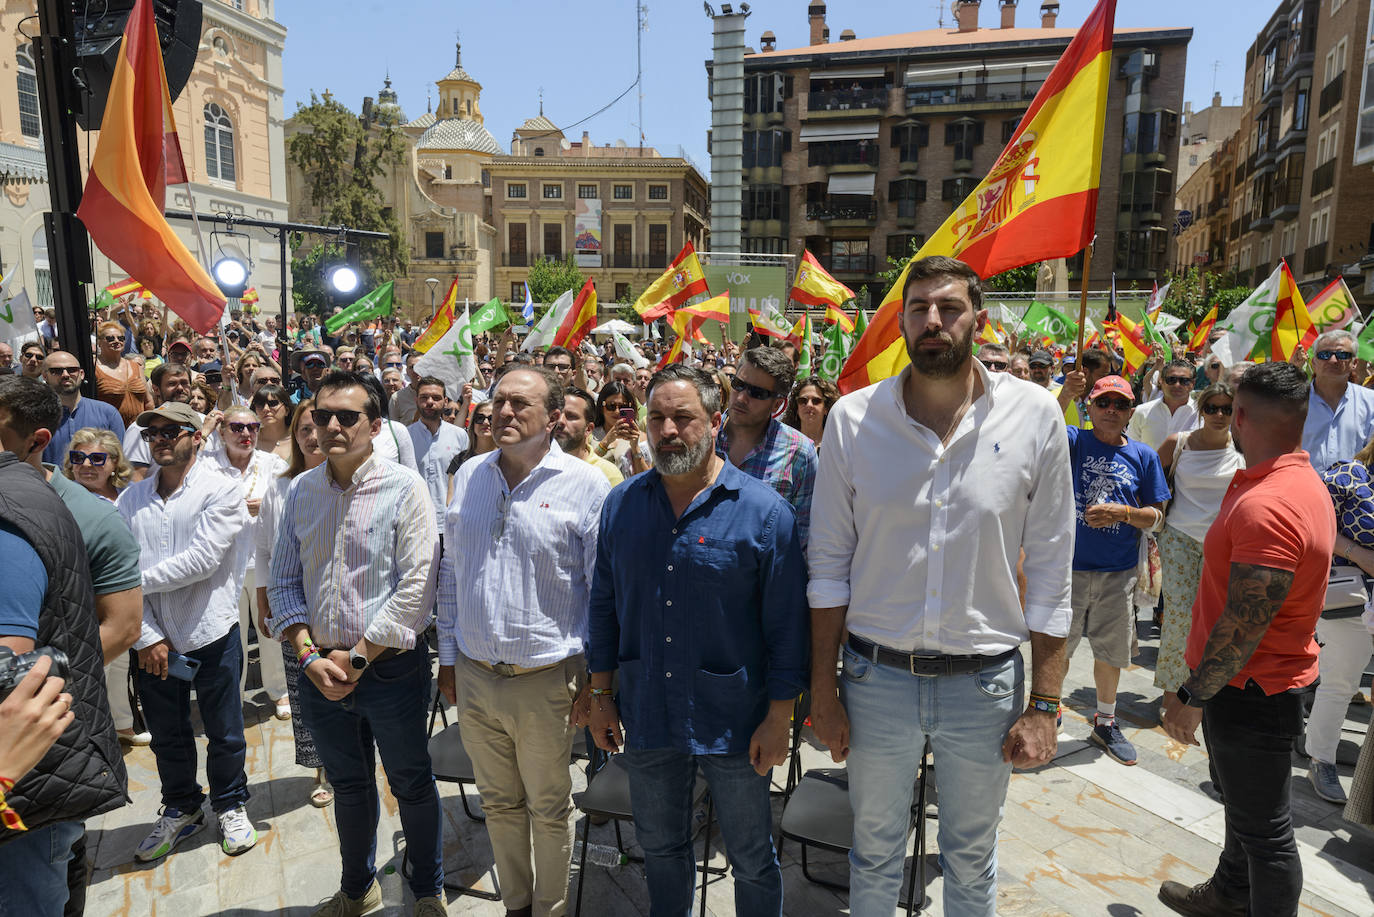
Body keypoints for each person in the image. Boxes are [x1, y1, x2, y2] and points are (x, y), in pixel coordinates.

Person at [807, 256, 1073, 916]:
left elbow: (1051, 569)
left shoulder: (1035, 415)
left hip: (984, 686)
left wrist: (1045, 704)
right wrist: (824, 690)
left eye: (949, 307)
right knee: (873, 851)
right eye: (919, 307)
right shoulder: (852, 419)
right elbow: (828, 567)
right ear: (899, 323)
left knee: (972, 858)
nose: (934, 320)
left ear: (977, 319)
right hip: (876, 681)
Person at [587, 364, 807, 916]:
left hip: (735, 721)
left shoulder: (764, 512)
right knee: (661, 849)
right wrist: (601, 693)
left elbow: (786, 629)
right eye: (656, 418)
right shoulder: (622, 505)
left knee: (752, 858)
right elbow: (604, 606)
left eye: (682, 418)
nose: (667, 431)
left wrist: (779, 717)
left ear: (714, 422)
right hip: (648, 712)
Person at [1159, 363, 1336, 917]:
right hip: (1254, 685)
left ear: (1238, 416)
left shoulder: (1270, 503)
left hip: (1251, 689)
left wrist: (1192, 696)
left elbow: (1244, 623)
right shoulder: (1292, 481)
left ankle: (1241, 897)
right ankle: (1231, 894)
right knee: (1243, 809)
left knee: (1267, 834)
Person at [267, 371, 444, 917]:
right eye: (323, 416)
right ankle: (357, 888)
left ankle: (427, 890)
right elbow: (284, 581)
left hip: (390, 670)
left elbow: (418, 586)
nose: (332, 427)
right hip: (320, 671)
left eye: (347, 416)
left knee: (411, 783)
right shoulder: (302, 490)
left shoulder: (405, 487)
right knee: (348, 786)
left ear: (375, 424)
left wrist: (360, 655)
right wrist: (308, 657)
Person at [437, 366, 610, 917]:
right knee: (498, 803)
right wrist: (448, 660)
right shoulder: (470, 474)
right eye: (498, 401)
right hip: (476, 675)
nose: (504, 412)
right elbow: (450, 574)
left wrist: (597, 683)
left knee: (548, 807)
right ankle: (516, 905)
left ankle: (549, 908)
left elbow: (603, 593)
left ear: (555, 418)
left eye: (520, 403)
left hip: (547, 681)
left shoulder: (586, 485)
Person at [0, 376, 130, 914]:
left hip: (27, 783)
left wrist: (66, 688)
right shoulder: (31, 498)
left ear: (34, 439)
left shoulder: (17, 514)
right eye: (79, 457)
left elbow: (121, 625)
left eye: (98, 458)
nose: (87, 464)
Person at [118, 402, 256, 860]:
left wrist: (134, 582)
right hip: (152, 639)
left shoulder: (222, 488)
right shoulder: (130, 499)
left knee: (225, 731)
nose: (159, 439)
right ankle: (182, 807)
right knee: (167, 734)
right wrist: (147, 636)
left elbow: (202, 561)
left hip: (211, 630)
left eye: (169, 431)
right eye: (151, 433)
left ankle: (230, 803)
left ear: (196, 436)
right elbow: (115, 565)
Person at [1064, 375, 1169, 766]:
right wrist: (1065, 392)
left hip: (1118, 573)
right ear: (1089, 407)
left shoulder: (1144, 456)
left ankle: (1106, 722)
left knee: (1111, 653)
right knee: (1058, 648)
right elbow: (1041, 428)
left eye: (1120, 404)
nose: (1111, 410)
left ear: (1130, 412)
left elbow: (1158, 517)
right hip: (1068, 570)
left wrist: (1122, 513)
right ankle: (1047, 709)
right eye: (1103, 402)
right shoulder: (1074, 441)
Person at [255, 400, 333, 808]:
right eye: (304, 429)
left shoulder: (348, 482)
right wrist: (264, 599)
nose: (313, 436)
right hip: (293, 607)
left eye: (318, 426)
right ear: (295, 437)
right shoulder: (280, 487)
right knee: (306, 693)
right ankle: (323, 769)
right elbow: (264, 550)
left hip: (338, 606)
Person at [1153, 384, 1244, 704]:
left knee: (1217, 618)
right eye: (1211, 408)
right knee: (1179, 617)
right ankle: (1172, 694)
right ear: (1200, 410)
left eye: (1226, 409)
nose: (1219, 415)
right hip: (1178, 537)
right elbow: (1150, 480)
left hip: (1224, 544)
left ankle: (1204, 691)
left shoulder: (1244, 448)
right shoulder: (1178, 443)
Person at [211, 408, 290, 719]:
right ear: (222, 432)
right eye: (237, 427)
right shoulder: (207, 466)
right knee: (231, 636)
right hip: (223, 566)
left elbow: (289, 504)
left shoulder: (273, 464)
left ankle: (279, 691)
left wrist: (267, 506)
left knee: (269, 630)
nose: (246, 434)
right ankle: (232, 695)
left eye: (252, 427)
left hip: (263, 563)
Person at [1309, 431, 1374, 804]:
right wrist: (1359, 554)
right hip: (1350, 595)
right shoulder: (1349, 474)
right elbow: (1314, 524)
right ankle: (1321, 760)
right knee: (1341, 682)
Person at [718, 347, 818, 546]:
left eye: (757, 393)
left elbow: (802, 537)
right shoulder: (701, 436)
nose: (741, 398)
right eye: (738, 384)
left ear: (777, 405)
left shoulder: (800, 453)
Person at [1303, 329, 1374, 473]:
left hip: (1357, 486)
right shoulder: (1293, 401)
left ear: (1354, 363)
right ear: (1314, 362)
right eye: (1324, 355)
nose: (1333, 360)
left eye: (1342, 355)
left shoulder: (1371, 401)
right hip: (1303, 486)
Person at [40, 351, 126, 465]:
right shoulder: (37, 417)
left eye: (72, 370)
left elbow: (119, 460)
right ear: (45, 376)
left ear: (81, 374)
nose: (65, 375)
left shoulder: (108, 413)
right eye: (56, 371)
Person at [407, 376, 469, 528]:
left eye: (436, 398)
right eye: (424, 397)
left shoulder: (459, 436)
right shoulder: (405, 436)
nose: (429, 402)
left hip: (451, 521)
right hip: (415, 521)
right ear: (416, 400)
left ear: (445, 401)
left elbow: (467, 478)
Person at [555, 385, 624, 486]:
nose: (560, 421)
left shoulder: (608, 475)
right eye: (556, 415)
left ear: (588, 429)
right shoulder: (535, 465)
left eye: (571, 416)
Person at [1128, 359, 1200, 451]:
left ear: (1193, 383)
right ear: (1161, 381)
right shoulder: (1142, 411)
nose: (1177, 385)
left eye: (1184, 381)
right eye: (1171, 380)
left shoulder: (1202, 414)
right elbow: (1131, 448)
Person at [92, 320, 152, 426]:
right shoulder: (94, 368)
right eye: (110, 338)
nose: (117, 341)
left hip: (138, 430)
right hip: (108, 431)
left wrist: (148, 427)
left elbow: (148, 402)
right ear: (99, 342)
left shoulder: (135, 367)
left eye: (121, 338)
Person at [63, 427, 134, 504]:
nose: (85, 464)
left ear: (115, 462)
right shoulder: (65, 499)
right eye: (78, 457)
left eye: (96, 458)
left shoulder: (131, 491)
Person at [781, 375, 840, 448]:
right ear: (796, 408)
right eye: (803, 401)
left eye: (816, 401)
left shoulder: (837, 445)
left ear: (826, 408)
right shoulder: (783, 443)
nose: (809, 405)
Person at [251, 384, 294, 462]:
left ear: (287, 410)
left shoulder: (299, 439)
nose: (266, 409)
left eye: (273, 403)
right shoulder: (251, 440)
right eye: (260, 404)